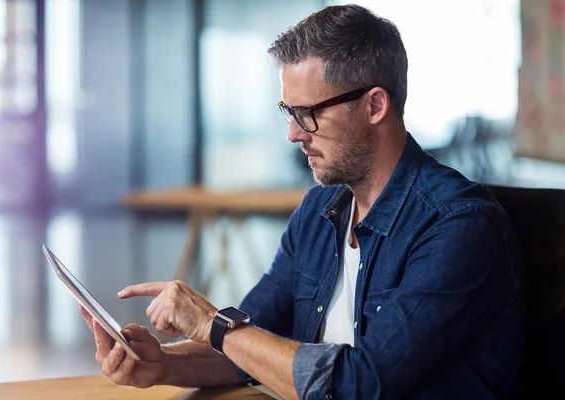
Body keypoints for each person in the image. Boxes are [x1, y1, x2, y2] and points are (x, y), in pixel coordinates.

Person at [79, 4, 526, 399]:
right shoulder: (319, 212)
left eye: (308, 114)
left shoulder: (458, 225)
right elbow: (250, 345)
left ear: (374, 106)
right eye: (288, 112)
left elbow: (363, 385)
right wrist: (165, 365)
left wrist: (212, 322)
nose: (294, 133)